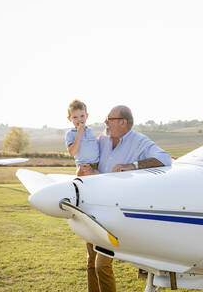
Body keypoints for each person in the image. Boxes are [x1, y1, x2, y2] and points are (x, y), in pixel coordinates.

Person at [85, 105, 172, 292]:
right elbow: (90, 162)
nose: (105, 122)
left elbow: (165, 159)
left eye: (109, 118)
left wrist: (132, 166)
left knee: (102, 265)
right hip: (93, 206)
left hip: (115, 212)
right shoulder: (102, 140)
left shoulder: (139, 141)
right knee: (91, 264)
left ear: (123, 122)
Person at [65, 99, 99, 176]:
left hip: (97, 165)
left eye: (82, 116)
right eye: (75, 117)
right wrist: (79, 134)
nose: (79, 119)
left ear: (87, 116)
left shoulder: (90, 130)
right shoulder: (70, 134)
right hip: (83, 167)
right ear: (69, 118)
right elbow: (72, 152)